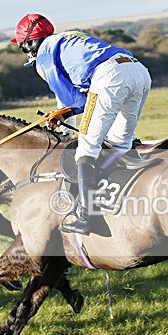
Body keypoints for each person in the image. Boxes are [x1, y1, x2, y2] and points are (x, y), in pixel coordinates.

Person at [12, 13, 152, 235]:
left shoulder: (45, 57)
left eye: (23, 46)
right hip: (138, 71)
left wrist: (64, 119)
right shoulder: (68, 38)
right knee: (119, 144)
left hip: (110, 77)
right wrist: (65, 113)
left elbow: (74, 101)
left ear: (30, 42)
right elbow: (81, 101)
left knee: (86, 148)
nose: (26, 52)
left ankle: (87, 217)